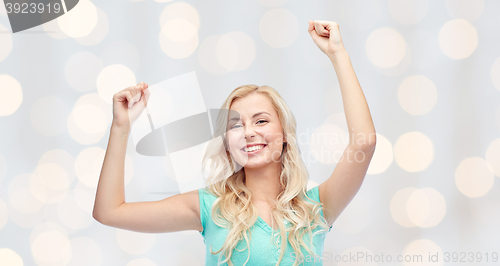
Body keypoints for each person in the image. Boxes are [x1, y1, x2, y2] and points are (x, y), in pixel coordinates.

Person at [93, 20, 376, 266]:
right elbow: (109, 212)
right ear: (228, 144)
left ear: (285, 133)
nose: (248, 132)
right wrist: (121, 127)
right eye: (235, 125)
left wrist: (338, 54)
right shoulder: (209, 207)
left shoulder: (317, 207)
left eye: (261, 121)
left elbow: (364, 143)